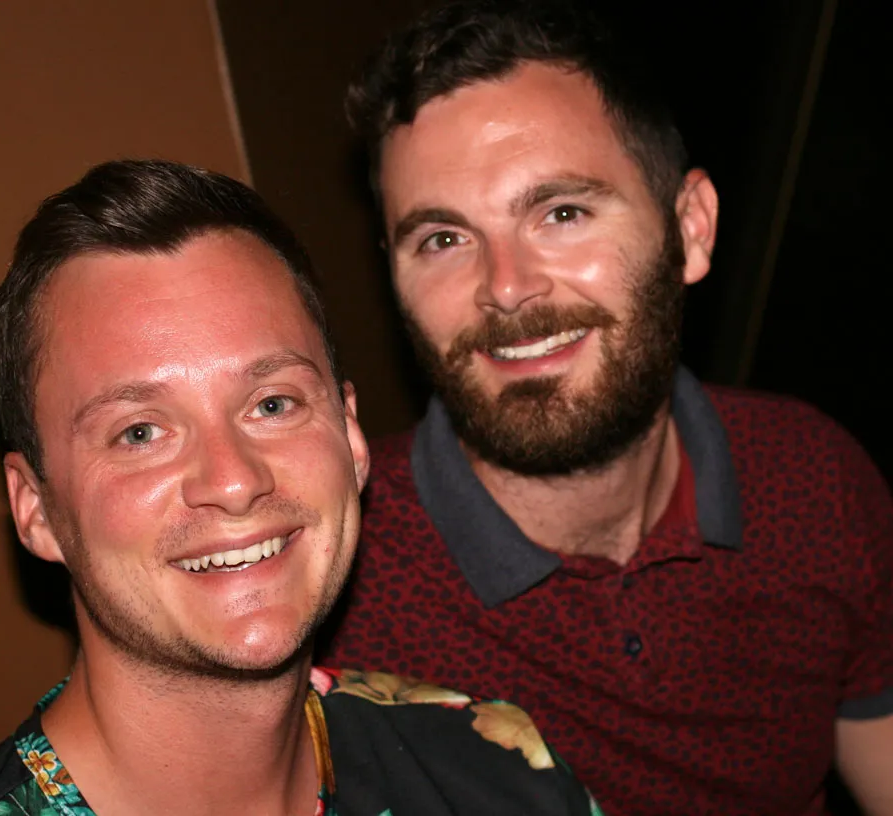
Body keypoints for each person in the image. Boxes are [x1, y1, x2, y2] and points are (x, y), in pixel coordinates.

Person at [316, 2, 893, 815]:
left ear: (690, 228)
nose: (507, 286)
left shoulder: (811, 476)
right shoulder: (334, 577)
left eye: (562, 213)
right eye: (443, 239)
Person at [0, 160, 602, 816]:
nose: (234, 480)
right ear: (36, 508)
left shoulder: (502, 768)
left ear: (351, 437)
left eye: (273, 404)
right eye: (140, 433)